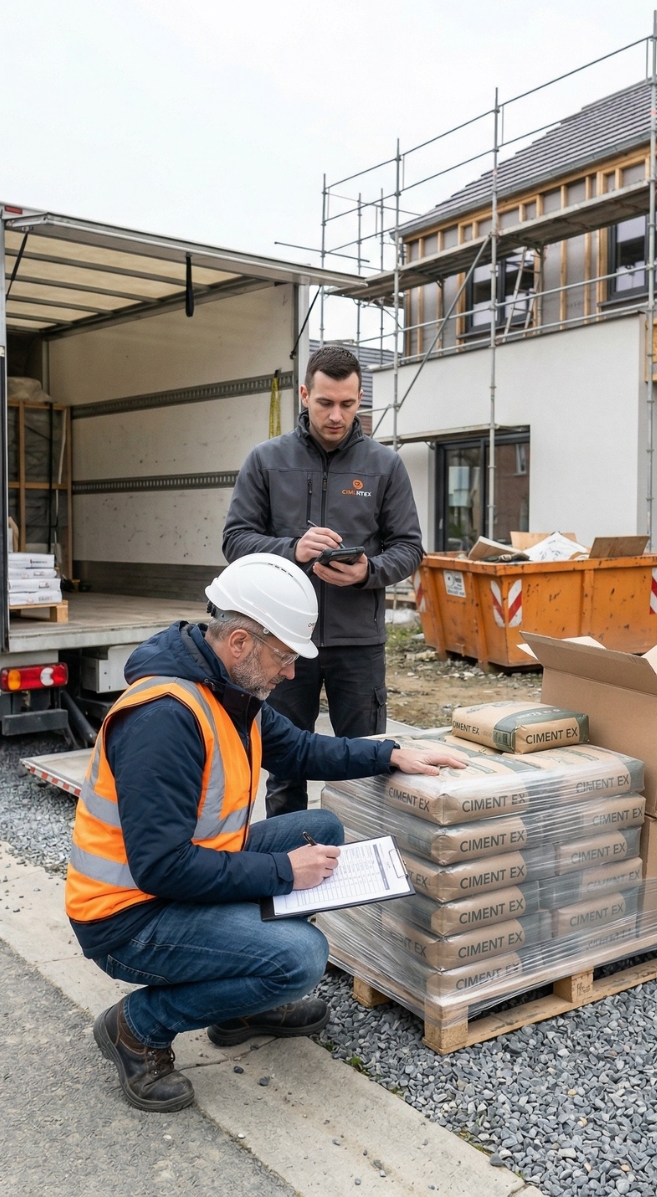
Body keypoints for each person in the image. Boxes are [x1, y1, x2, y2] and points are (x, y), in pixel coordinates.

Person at [65, 553, 465, 1113]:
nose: (291, 672)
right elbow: (161, 867)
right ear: (239, 644)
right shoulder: (165, 718)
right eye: (284, 656)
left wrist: (392, 753)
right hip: (127, 918)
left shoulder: (231, 694)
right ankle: (137, 1027)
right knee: (300, 957)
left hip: (181, 877)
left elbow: (302, 748)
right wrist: (284, 872)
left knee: (319, 828)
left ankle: (237, 1007)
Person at [222, 343, 424, 817]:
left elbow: (410, 547)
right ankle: (288, 865)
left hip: (358, 644)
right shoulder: (266, 460)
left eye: (348, 405)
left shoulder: (385, 466)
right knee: (285, 764)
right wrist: (291, 548)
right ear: (304, 394)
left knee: (369, 756)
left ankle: (365, 862)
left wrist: (366, 572)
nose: (337, 416)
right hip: (282, 642)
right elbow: (235, 540)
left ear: (359, 401)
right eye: (325, 403)